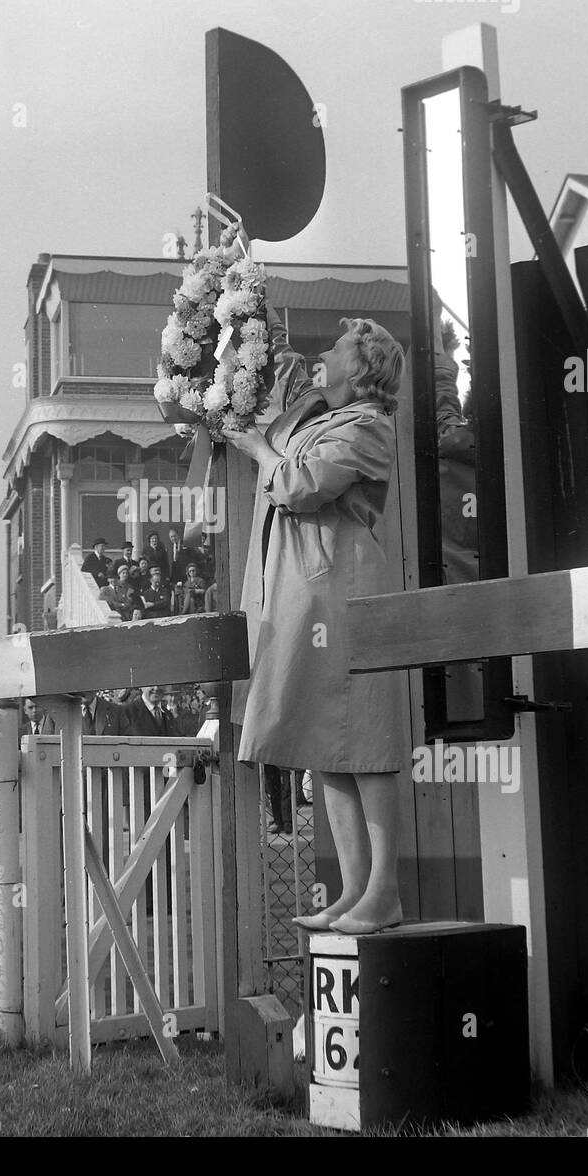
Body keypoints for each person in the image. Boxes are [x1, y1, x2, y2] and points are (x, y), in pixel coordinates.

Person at [224, 310, 407, 935]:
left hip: (343, 595)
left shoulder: (370, 426)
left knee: (365, 743)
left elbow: (300, 486)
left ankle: (383, 891)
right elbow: (286, 374)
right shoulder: (322, 414)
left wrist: (256, 448)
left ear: (362, 370)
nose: (324, 352)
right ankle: (355, 890)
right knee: (328, 743)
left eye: (337, 347)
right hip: (308, 594)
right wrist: (254, 317)